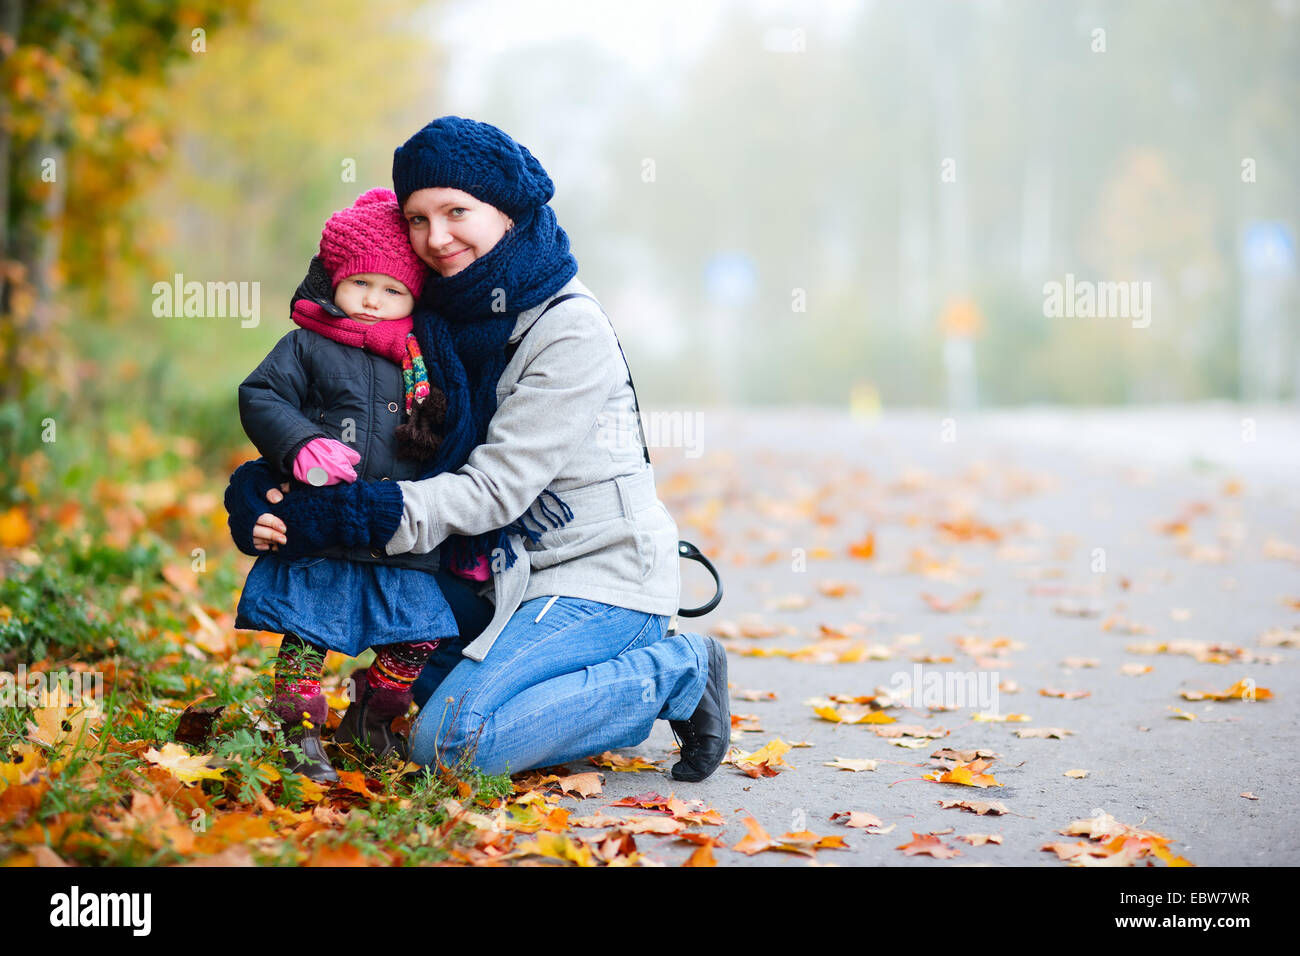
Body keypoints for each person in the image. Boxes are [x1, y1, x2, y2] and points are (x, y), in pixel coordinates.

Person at [225, 116, 729, 782]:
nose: (436, 237)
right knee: (429, 701)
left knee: (457, 743)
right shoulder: (428, 316)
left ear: (507, 210)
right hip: (490, 575)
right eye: (416, 218)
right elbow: (361, 428)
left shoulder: (566, 328)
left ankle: (677, 669)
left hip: (594, 574)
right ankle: (553, 684)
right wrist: (264, 488)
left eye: (457, 211)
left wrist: (341, 516)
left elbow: (493, 490)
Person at [231, 187, 490, 783]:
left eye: (392, 290)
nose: (373, 301)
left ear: (414, 296)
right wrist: (298, 443)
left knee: (416, 637)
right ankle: (297, 735)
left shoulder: (425, 360)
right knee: (305, 637)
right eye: (360, 285)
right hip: (322, 529)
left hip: (398, 538)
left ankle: (375, 717)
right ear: (335, 281)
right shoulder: (308, 343)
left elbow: (453, 433)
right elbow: (261, 395)